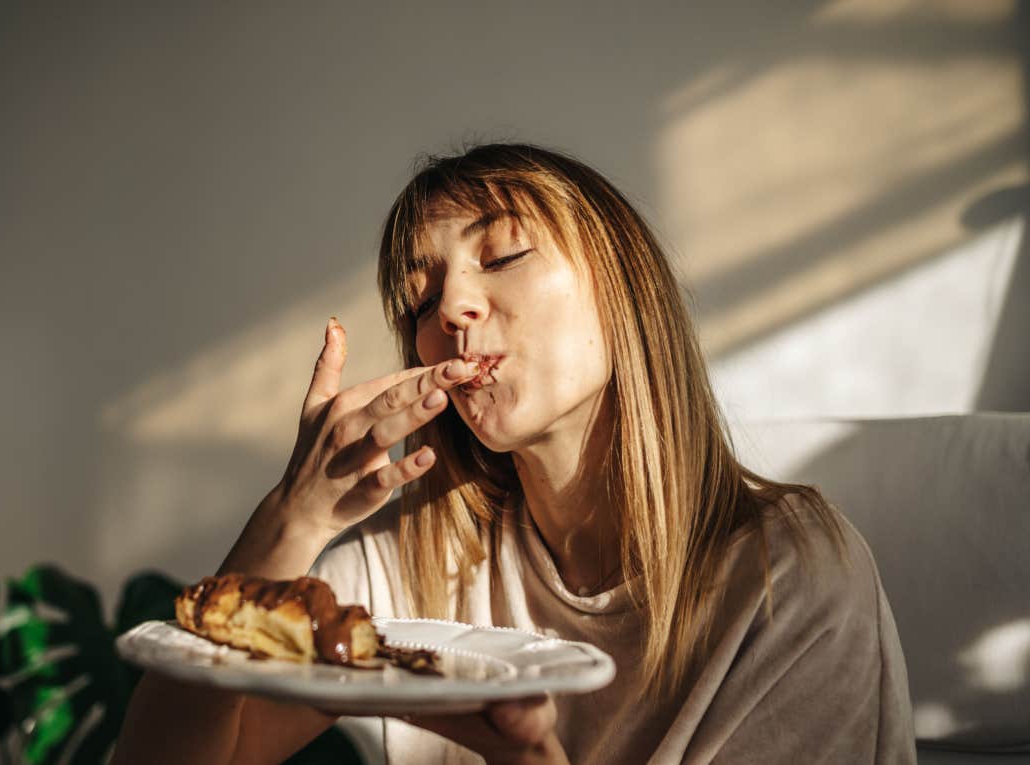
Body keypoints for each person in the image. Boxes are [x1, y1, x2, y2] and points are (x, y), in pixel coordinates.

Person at [114, 143, 916, 764]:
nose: (453, 309)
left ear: (624, 287)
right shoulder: (409, 568)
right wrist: (293, 515)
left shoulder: (793, 577)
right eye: (423, 299)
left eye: (502, 257)